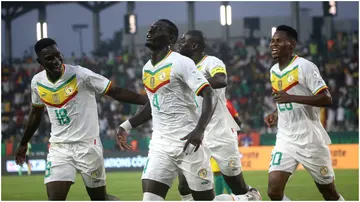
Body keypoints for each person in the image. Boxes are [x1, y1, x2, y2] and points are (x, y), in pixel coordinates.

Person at [117, 19, 254, 201]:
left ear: (170, 39)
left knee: (226, 188)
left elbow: (211, 92)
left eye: (158, 29)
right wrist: (126, 125)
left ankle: (246, 198)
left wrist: (199, 129)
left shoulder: (184, 63)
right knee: (154, 197)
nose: (151, 30)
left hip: (191, 140)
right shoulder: (147, 68)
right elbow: (153, 104)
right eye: (151, 27)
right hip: (161, 145)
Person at [14, 38, 148, 201]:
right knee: (55, 198)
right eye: (49, 58)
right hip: (59, 147)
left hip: (88, 146)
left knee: (99, 198)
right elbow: (36, 113)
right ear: (39, 61)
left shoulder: (81, 75)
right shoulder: (37, 82)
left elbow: (115, 91)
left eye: (58, 55)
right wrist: (23, 142)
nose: (56, 61)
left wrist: (148, 101)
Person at [176, 30, 261, 201]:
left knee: (237, 186)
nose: (179, 44)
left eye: (183, 41)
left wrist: (196, 85)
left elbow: (221, 79)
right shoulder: (183, 68)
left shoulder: (212, 62)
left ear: (194, 45)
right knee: (184, 185)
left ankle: (252, 197)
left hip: (220, 132)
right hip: (196, 132)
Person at [264, 25, 344, 201]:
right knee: (273, 191)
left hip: (310, 140)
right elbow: (283, 99)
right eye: (272, 41)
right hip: (285, 138)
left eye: (278, 41)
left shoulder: (305, 66)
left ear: (291, 44)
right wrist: (275, 113)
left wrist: (290, 97)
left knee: (329, 193)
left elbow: (326, 98)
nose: (273, 44)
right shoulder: (273, 71)